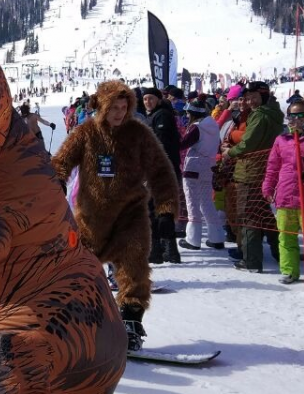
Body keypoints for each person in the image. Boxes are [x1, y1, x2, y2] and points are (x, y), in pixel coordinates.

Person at [52, 81, 178, 350]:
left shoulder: (139, 134)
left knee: (134, 269)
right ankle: (79, 323)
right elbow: (61, 162)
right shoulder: (85, 133)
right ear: (101, 107)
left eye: (124, 107)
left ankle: (131, 324)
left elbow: (161, 171)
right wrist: (58, 181)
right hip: (91, 218)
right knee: (78, 271)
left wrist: (166, 209)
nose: (120, 113)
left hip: (130, 216)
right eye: (114, 108)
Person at [222, 81, 282, 273]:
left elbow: (248, 143)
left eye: (253, 97)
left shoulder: (260, 116)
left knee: (248, 216)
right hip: (265, 169)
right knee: (265, 216)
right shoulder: (275, 113)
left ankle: (252, 261)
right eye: (247, 97)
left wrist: (229, 153)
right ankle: (280, 253)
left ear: (264, 96)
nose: (249, 101)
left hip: (249, 170)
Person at [262, 99, 304, 285]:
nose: (296, 119)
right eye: (292, 115)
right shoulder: (282, 139)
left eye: (300, 115)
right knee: (286, 236)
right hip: (286, 193)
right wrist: (268, 186)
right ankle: (289, 270)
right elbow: (273, 166)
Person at [141, 87, 182, 264]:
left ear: (158, 99)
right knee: (153, 209)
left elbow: (161, 144)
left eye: (150, 98)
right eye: (144, 99)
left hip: (162, 170)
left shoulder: (162, 115)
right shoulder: (154, 115)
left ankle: (168, 249)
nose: (147, 102)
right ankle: (157, 249)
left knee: (161, 209)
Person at [178, 101, 221, 250]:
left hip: (193, 166)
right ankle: (216, 237)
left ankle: (193, 239)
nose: (187, 115)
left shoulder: (197, 127)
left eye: (188, 113)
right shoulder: (213, 126)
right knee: (206, 202)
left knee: (192, 203)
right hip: (208, 165)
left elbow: (182, 144)